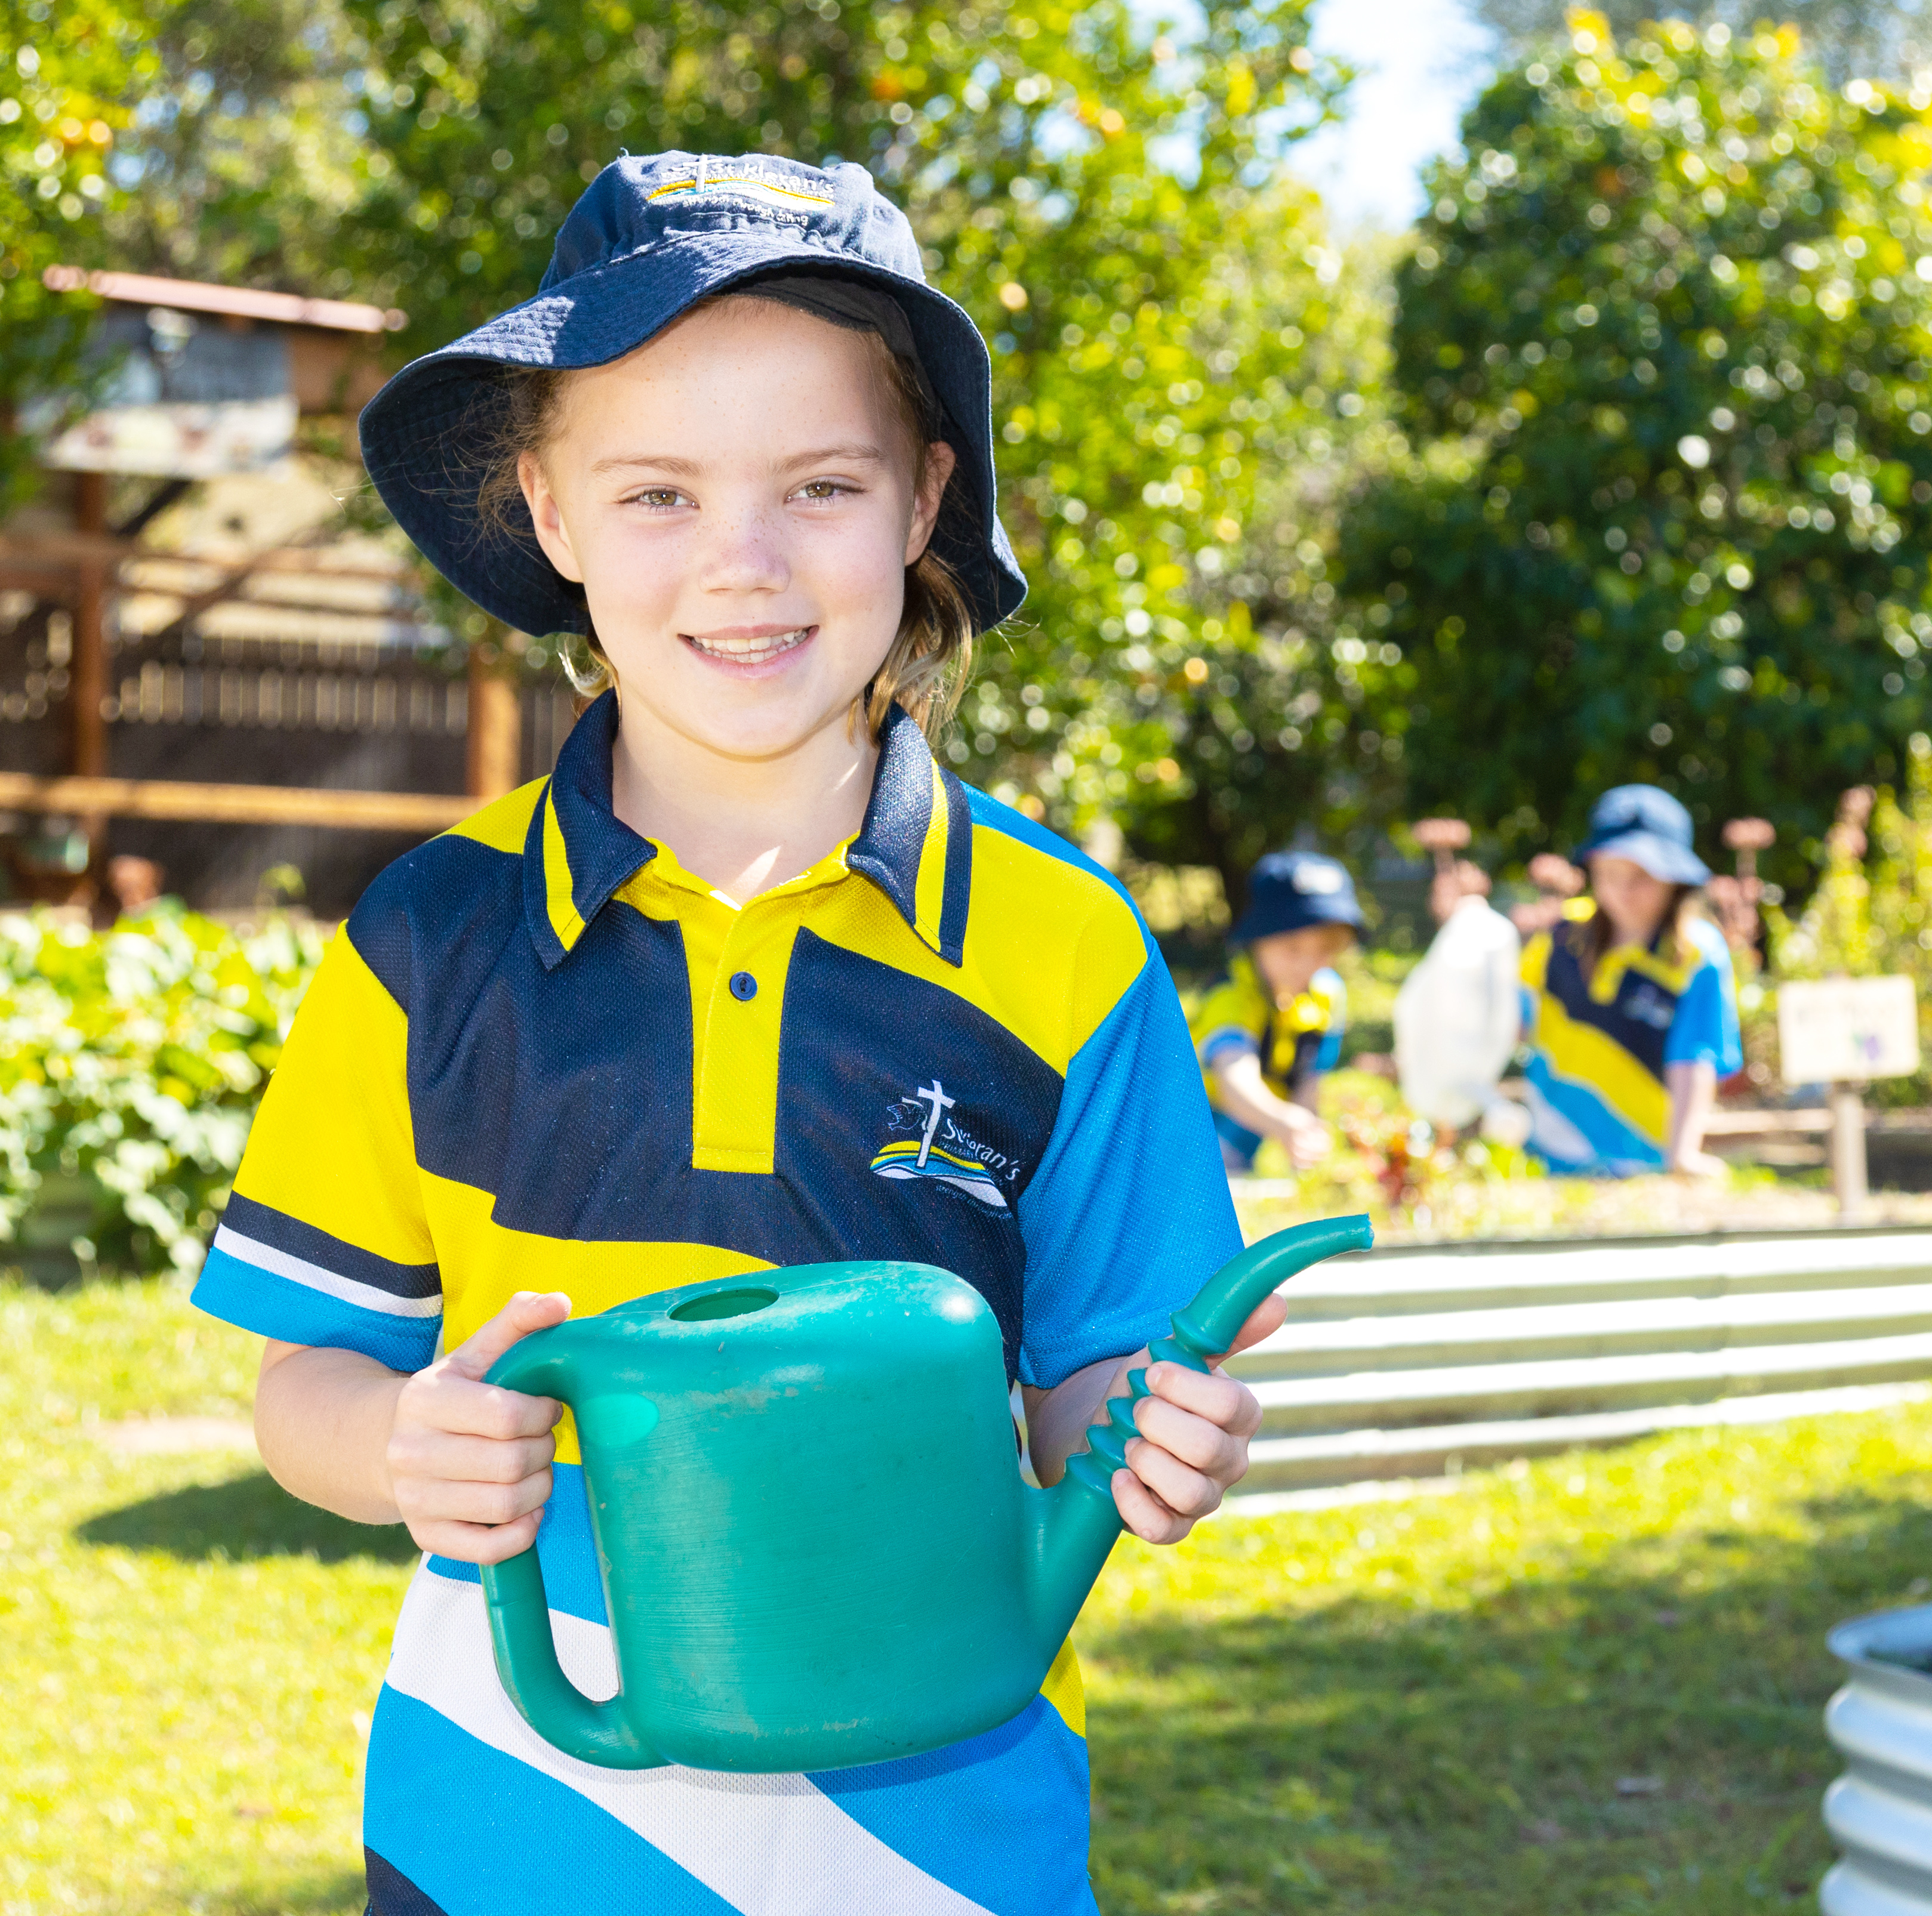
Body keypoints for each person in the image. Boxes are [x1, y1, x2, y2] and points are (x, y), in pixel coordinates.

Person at [192, 153, 1272, 1916]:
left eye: (819, 485)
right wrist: (400, 1442)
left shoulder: (1068, 948)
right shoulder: (424, 939)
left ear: (924, 498)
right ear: (547, 510)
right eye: (658, 494)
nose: (743, 563)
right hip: (508, 1813)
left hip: (941, 1840)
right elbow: (300, 1378)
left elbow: (1096, 1390)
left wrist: (1158, 1431)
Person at [1515, 784, 1742, 1177]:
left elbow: (1694, 1058)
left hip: (1644, 1167)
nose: (1623, 890)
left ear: (1675, 878)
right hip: (1547, 1162)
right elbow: (1512, 1023)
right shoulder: (1560, 936)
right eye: (1609, 873)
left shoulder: (1696, 955)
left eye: (1641, 875)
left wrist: (1682, 1154)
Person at [1192, 850, 1361, 1173]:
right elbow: (1233, 1080)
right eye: (1291, 948)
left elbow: (1309, 1082)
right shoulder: (1231, 994)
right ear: (1258, 941)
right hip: (1196, 1133)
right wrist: (1283, 1121)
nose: (1307, 964)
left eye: (1325, 949)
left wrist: (1304, 1140)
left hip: (1253, 1132)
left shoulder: (1327, 994)